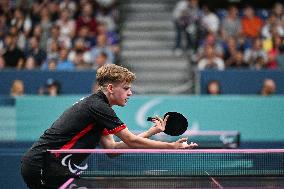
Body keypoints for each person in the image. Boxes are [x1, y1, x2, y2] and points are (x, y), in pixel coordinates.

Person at [21, 64, 198, 189]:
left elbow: (112, 149)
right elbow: (131, 140)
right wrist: (171, 146)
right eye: (126, 88)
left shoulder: (99, 109)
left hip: (55, 166)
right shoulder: (98, 107)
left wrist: (152, 131)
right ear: (111, 88)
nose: (130, 93)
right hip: (44, 164)